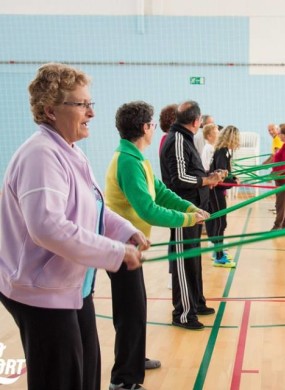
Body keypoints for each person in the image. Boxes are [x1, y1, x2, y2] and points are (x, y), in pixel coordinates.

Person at [0, 63, 145, 390]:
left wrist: (125, 232)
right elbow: (47, 227)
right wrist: (115, 251)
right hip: (41, 293)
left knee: (85, 376)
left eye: (90, 103)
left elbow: (94, 208)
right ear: (51, 110)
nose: (91, 112)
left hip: (72, 288)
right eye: (82, 104)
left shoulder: (70, 152)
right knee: (62, 381)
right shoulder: (41, 155)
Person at [105, 101, 209, 390]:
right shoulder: (127, 161)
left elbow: (161, 192)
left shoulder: (137, 157)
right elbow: (148, 209)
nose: (153, 128)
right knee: (130, 313)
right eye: (151, 124)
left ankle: (133, 361)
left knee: (134, 311)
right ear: (143, 128)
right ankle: (124, 380)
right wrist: (187, 220)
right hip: (120, 249)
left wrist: (190, 207)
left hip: (131, 249)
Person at [160, 100, 225, 330]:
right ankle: (183, 314)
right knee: (183, 261)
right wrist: (206, 180)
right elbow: (178, 178)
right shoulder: (177, 139)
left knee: (194, 258)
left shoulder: (185, 139)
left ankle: (196, 303)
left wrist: (211, 176)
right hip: (182, 211)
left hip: (194, 210)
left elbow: (192, 173)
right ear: (196, 121)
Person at [206, 125, 241, 267]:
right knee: (220, 223)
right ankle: (219, 256)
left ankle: (217, 252)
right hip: (215, 190)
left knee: (218, 222)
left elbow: (224, 172)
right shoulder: (222, 151)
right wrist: (233, 181)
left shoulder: (224, 151)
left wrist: (233, 177)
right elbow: (220, 176)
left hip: (216, 191)